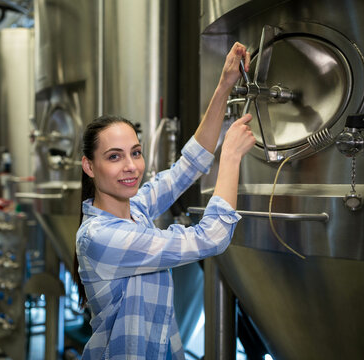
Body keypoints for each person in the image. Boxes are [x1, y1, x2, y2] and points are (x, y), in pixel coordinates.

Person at [74, 42, 255, 359]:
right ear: (89, 166)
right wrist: (231, 157)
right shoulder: (100, 237)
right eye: (114, 157)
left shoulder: (135, 212)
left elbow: (188, 165)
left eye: (136, 153)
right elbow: (210, 238)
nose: (131, 166)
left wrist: (225, 84)